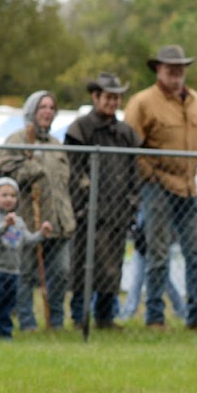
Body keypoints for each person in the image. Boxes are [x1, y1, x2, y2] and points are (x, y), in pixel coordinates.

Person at [124, 45, 197, 329]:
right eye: (170, 67)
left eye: (181, 67)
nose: (176, 73)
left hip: (190, 186)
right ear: (158, 69)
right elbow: (130, 144)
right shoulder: (143, 102)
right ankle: (155, 317)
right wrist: (148, 174)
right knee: (158, 253)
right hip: (158, 185)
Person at [64, 73, 139, 330]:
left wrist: (132, 201)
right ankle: (78, 316)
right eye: (108, 97)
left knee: (112, 267)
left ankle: (105, 317)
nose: (113, 102)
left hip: (117, 209)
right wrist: (83, 200)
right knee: (83, 266)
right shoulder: (81, 128)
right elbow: (73, 170)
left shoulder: (126, 132)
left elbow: (133, 170)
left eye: (117, 97)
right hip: (88, 210)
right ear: (96, 97)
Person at [0, 91, 75, 331]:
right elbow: (4, 172)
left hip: (58, 221)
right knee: (26, 273)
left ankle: (56, 321)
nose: (48, 111)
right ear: (32, 110)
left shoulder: (56, 145)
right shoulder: (17, 140)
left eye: (52, 107)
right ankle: (26, 321)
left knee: (61, 272)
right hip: (28, 220)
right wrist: (31, 169)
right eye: (43, 107)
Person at [0, 177, 50, 340]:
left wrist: (41, 234)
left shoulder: (18, 222)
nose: (8, 199)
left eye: (12, 196)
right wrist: (4, 226)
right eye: (4, 195)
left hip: (12, 271)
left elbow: (27, 240)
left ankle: (5, 331)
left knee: (8, 304)